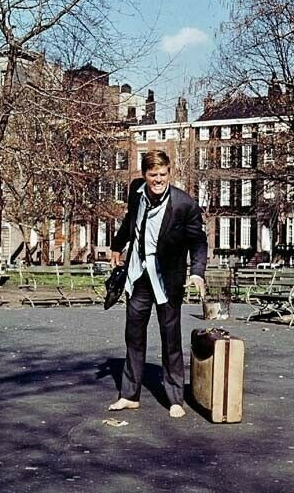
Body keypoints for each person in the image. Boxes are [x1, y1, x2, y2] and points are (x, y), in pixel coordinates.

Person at [108, 150, 207, 418]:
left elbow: (198, 242)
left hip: (167, 279)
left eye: (163, 174)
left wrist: (197, 272)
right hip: (139, 275)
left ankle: (175, 399)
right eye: (153, 175)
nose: (159, 180)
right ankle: (129, 396)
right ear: (144, 175)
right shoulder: (136, 192)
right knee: (134, 336)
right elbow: (131, 219)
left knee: (170, 338)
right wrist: (117, 245)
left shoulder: (184, 204)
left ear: (169, 173)